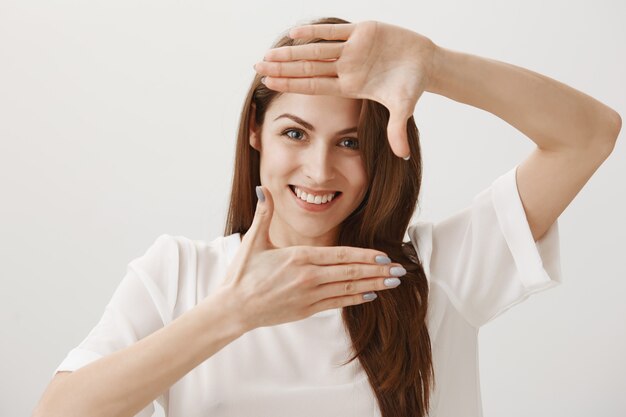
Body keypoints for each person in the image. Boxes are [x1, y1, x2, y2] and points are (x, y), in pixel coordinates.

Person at [32, 16, 620, 417]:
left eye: (349, 142)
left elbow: (589, 134)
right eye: (296, 133)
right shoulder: (178, 272)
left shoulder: (438, 270)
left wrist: (435, 66)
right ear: (257, 132)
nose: (318, 171)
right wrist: (233, 313)